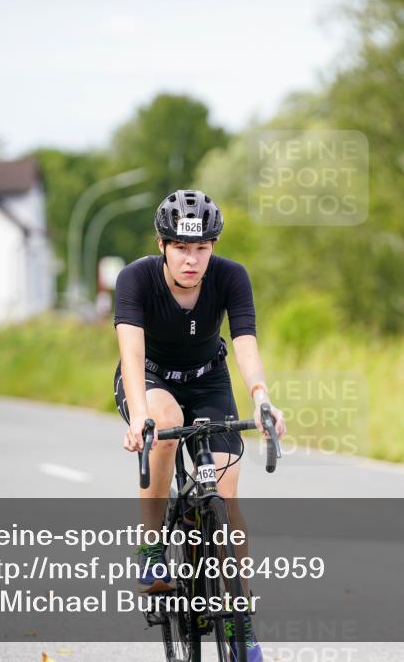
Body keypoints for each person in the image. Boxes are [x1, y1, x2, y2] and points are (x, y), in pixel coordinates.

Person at [113, 189, 286, 662]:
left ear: (213, 246)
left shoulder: (231, 277)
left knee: (227, 498)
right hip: (150, 379)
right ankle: (151, 549)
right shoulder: (135, 279)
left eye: (202, 249)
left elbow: (245, 340)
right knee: (165, 421)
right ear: (162, 245)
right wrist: (140, 414)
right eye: (182, 249)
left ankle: (243, 625)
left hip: (209, 379)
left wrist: (262, 397)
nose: (192, 260)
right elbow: (130, 353)